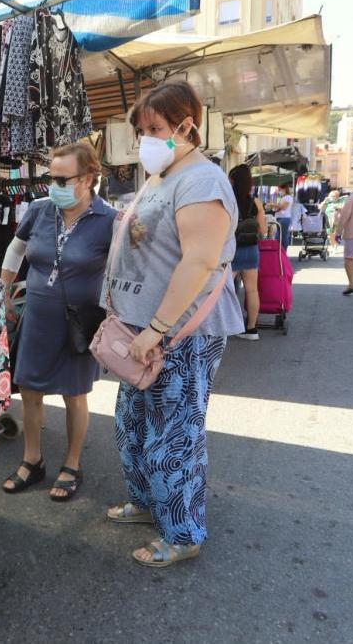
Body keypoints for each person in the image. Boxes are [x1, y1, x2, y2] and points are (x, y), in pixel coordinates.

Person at [101, 80, 243, 568]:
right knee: (133, 426)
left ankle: (182, 531)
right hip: (141, 330)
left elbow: (200, 262)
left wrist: (157, 329)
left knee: (173, 434)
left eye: (156, 129)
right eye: (142, 130)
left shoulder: (201, 180)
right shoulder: (164, 176)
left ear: (187, 126)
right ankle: (147, 503)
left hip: (178, 332)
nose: (146, 139)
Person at [0, 143, 116, 502]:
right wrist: (3, 288)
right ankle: (32, 460)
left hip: (79, 322)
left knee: (74, 395)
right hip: (36, 315)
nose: (55, 185)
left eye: (63, 179)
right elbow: (17, 248)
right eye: (51, 178)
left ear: (89, 178)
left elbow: (120, 270)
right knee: (30, 390)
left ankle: (72, 464)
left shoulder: (109, 220)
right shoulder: (39, 210)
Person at [228, 164, 266, 340]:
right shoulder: (256, 202)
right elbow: (263, 230)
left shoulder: (228, 201)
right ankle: (251, 329)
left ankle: (226, 327)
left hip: (231, 250)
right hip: (251, 249)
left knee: (224, 291)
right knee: (252, 290)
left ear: (233, 180)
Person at [272, 183, 295, 251]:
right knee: (278, 236)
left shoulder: (288, 197)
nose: (279, 190)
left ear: (284, 189)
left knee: (283, 236)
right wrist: (275, 207)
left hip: (284, 218)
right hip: (280, 218)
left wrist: (273, 205)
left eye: (280, 189)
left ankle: (283, 251)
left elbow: (284, 207)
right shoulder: (284, 197)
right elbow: (280, 208)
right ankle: (280, 251)